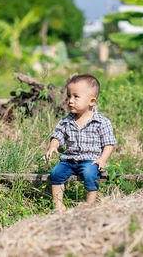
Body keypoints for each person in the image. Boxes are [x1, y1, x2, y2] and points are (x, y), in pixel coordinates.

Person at [45, 74, 117, 211]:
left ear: (91, 101)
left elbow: (108, 144)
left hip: (90, 160)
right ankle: (58, 205)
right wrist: (53, 146)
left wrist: (102, 160)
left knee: (90, 173)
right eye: (69, 96)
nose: (70, 101)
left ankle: (89, 205)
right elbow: (57, 136)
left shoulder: (102, 122)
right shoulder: (66, 121)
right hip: (69, 160)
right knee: (56, 172)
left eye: (76, 97)